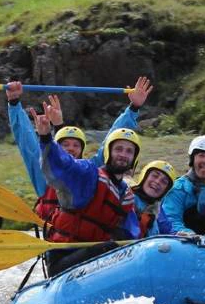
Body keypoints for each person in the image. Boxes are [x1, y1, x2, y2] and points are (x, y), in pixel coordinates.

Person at [5, 76, 154, 220]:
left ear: (82, 151)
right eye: (65, 145)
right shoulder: (43, 173)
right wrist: (14, 103)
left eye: (76, 145)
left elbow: (112, 141)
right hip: (53, 237)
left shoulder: (92, 172)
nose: (71, 149)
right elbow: (26, 141)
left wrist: (133, 108)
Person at [34, 108, 143, 276]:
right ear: (108, 152)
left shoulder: (126, 196)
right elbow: (63, 165)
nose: (123, 155)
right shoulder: (89, 174)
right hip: (64, 259)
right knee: (109, 248)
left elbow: (132, 236)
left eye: (129, 151)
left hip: (97, 265)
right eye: (119, 149)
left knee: (118, 248)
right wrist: (46, 138)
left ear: (134, 159)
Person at [125, 160, 177, 237]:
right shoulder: (126, 198)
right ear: (144, 176)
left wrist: (178, 235)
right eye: (155, 176)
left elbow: (168, 230)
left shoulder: (156, 208)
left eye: (164, 182)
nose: (158, 182)